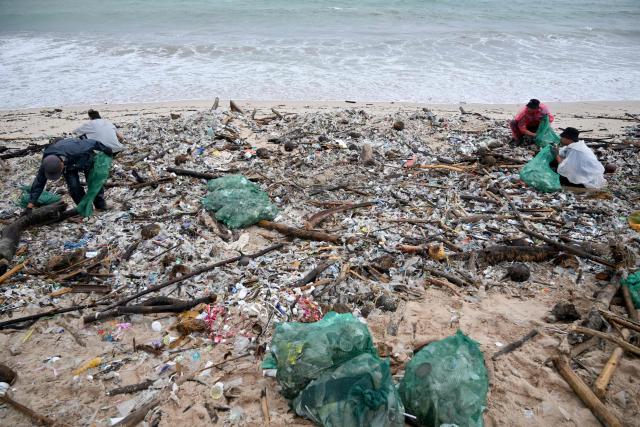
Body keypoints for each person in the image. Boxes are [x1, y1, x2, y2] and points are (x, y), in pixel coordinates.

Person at [25, 137, 113, 213]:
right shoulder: (47, 163)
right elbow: (39, 182)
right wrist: (30, 206)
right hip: (68, 167)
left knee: (93, 181)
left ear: (61, 164)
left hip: (84, 159)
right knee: (74, 187)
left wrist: (105, 149)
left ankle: (100, 205)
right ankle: (85, 208)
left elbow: (92, 142)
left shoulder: (77, 148)